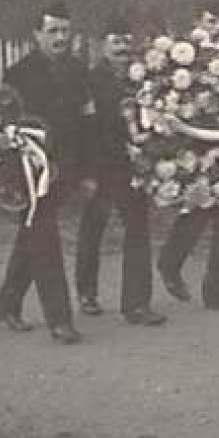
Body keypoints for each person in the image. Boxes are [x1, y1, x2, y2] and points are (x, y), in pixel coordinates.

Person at [0, 3, 85, 344]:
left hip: (63, 169)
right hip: (29, 174)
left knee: (31, 238)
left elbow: (84, 123)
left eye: (65, 30)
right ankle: (59, 319)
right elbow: (7, 129)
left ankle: (7, 303)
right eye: (53, 31)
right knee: (45, 239)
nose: (61, 38)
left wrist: (82, 173)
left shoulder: (77, 71)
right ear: (37, 35)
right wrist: (10, 178)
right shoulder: (18, 75)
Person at [157, 0, 219, 312]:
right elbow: (168, 101)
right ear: (197, 22)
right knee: (195, 214)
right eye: (210, 21)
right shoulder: (180, 57)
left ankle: (217, 291)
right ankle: (170, 264)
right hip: (193, 148)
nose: (216, 28)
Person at [75, 23, 166, 326]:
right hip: (101, 165)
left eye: (127, 42)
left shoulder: (141, 79)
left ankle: (137, 303)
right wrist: (87, 172)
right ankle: (86, 291)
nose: (122, 49)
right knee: (93, 228)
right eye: (115, 42)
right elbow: (85, 130)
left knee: (138, 228)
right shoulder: (89, 81)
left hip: (133, 165)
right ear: (102, 45)